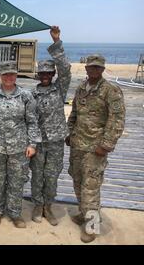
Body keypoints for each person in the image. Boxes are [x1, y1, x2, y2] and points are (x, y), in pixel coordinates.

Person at [66, 54, 125, 243]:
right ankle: (84, 214)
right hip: (77, 145)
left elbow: (117, 120)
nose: (94, 70)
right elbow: (74, 113)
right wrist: (69, 133)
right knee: (77, 181)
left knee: (90, 188)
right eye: (91, 67)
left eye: (98, 67)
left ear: (102, 69)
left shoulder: (111, 90)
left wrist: (106, 145)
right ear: (86, 68)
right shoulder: (81, 88)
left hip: (95, 148)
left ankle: (92, 227)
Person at [0, 62, 41, 228]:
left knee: (17, 181)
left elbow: (32, 122)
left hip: (19, 147)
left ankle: (15, 212)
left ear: (16, 75)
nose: (8, 77)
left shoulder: (25, 96)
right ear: (0, 75)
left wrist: (32, 144)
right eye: (5, 74)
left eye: (12, 74)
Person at [29, 26, 71, 226]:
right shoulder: (31, 94)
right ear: (38, 75)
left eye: (48, 73)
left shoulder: (60, 89)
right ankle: (37, 205)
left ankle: (48, 205)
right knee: (37, 175)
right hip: (38, 143)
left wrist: (56, 42)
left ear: (52, 74)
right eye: (42, 73)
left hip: (55, 142)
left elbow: (66, 69)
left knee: (52, 175)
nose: (45, 75)